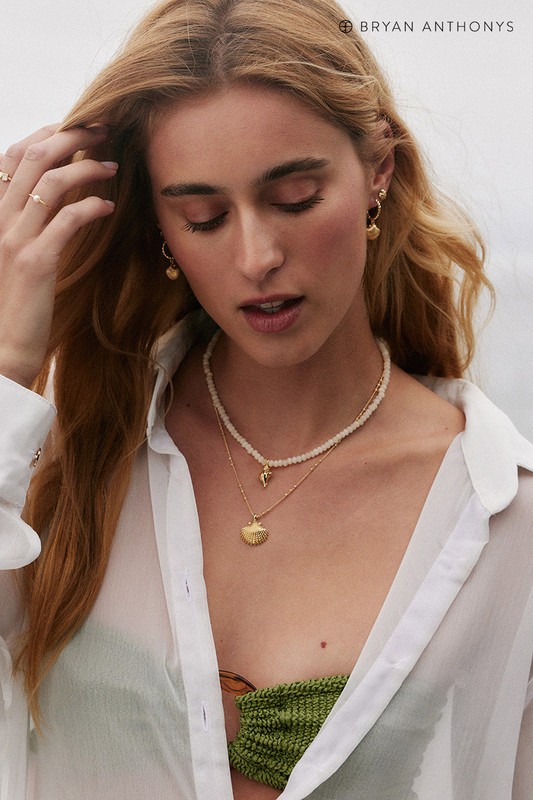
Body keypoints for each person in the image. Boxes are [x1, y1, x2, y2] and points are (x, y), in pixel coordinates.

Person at [0, 0, 532, 797]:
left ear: (378, 168)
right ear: (161, 226)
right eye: (203, 216)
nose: (256, 257)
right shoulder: (55, 467)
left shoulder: (501, 521)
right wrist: (8, 364)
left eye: (295, 198)